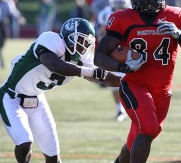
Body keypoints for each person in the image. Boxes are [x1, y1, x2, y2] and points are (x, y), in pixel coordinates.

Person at [94, 0, 181, 163]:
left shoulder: (175, 16)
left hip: (162, 91)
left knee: (138, 137)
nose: (150, 0)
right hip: (134, 85)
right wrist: (123, 66)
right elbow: (99, 56)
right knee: (149, 128)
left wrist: (179, 36)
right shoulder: (122, 18)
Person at [0, 18, 121, 163]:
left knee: (53, 156)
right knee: (24, 142)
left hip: (37, 99)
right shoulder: (51, 40)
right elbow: (55, 66)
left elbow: (101, 77)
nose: (84, 47)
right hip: (11, 97)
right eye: (82, 41)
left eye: (87, 43)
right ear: (70, 37)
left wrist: (126, 82)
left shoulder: (81, 59)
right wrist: (91, 72)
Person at [96, 0, 131, 122]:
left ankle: (132, 108)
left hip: (130, 51)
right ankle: (119, 109)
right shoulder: (105, 13)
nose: (121, 0)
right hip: (113, 52)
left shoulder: (134, 12)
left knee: (132, 83)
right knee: (114, 84)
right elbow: (100, 33)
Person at [0, 0, 23, 69]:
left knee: (2, 43)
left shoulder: (8, 1)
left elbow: (14, 11)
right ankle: (1, 62)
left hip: (4, 25)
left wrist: (19, 17)